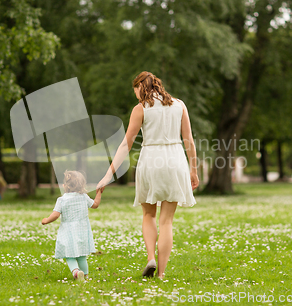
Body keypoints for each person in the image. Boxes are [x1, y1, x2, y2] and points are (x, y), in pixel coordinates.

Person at [96, 71, 199, 279]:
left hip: (151, 159)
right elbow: (188, 139)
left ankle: (151, 257)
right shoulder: (180, 105)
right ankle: (160, 274)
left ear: (139, 87)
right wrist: (194, 169)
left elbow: (126, 144)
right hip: (175, 160)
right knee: (166, 221)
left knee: (148, 214)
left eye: (135, 91)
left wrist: (109, 174)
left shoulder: (140, 108)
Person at [41, 170, 102, 281]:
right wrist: (99, 193)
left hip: (68, 231)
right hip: (82, 230)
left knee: (69, 254)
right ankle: (86, 276)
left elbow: (55, 214)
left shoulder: (62, 200)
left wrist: (46, 220)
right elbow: (95, 205)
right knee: (82, 255)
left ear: (64, 186)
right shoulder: (84, 197)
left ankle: (76, 272)